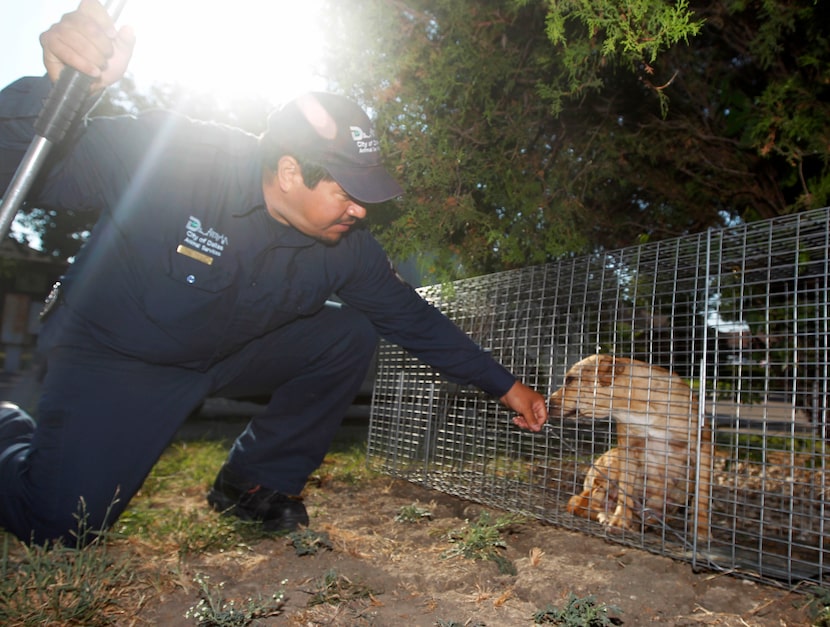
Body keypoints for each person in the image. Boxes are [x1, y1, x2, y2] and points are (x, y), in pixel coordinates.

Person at [0, 0, 549, 546]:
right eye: (348, 192)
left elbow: (413, 320)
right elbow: (24, 173)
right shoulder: (174, 157)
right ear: (290, 171)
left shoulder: (346, 249)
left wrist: (506, 387)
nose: (361, 210)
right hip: (116, 354)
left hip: (226, 352)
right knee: (57, 526)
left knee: (347, 334)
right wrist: (62, 98)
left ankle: (250, 483)